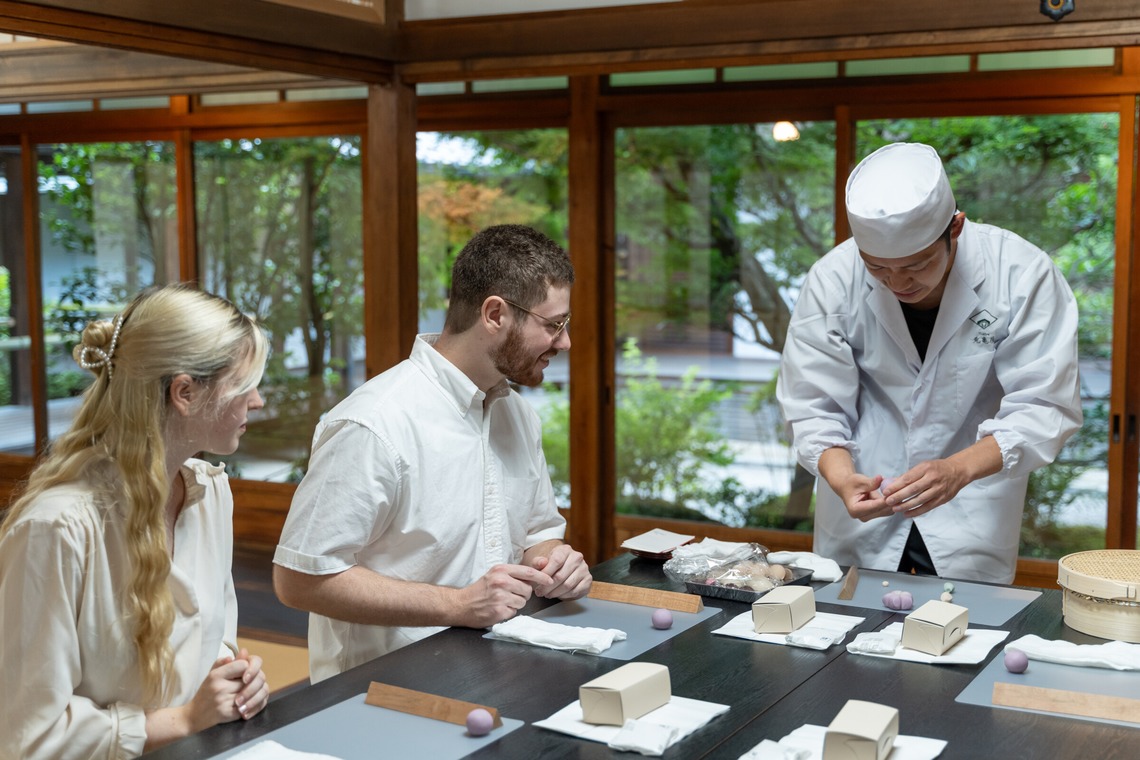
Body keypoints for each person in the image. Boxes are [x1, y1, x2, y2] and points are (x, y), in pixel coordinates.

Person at [273, 224, 593, 682]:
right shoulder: (374, 423)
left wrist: (557, 563)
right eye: (553, 324)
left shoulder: (517, 415)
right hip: (381, 694)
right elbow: (300, 579)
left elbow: (538, 532)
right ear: (496, 314)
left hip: (497, 670)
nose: (565, 343)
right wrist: (459, 605)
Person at [776, 142, 1082, 584]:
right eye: (877, 268)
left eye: (916, 265)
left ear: (954, 228)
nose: (898, 282)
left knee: (964, 636)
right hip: (863, 508)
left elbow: (1046, 405)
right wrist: (842, 478)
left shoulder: (1021, 274)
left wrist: (958, 469)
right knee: (846, 639)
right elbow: (811, 405)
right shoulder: (833, 278)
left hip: (972, 506)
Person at [0, 284, 271, 759]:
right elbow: (25, 737)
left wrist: (233, 680)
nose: (259, 401)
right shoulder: (56, 529)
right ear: (184, 392)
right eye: (245, 385)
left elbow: (212, 643)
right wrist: (183, 720)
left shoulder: (210, 495)